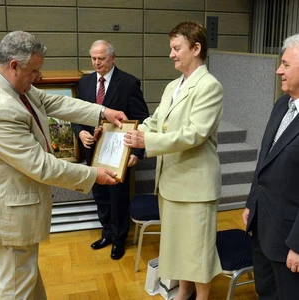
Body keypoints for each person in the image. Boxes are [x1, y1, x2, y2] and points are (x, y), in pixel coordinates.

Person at [0, 30, 127, 299]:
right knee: (14, 288)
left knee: (25, 279)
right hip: (12, 216)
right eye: (34, 71)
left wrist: (102, 112)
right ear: (14, 65)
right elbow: (41, 166)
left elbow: (55, 101)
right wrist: (93, 175)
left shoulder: (19, 89)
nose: (38, 78)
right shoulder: (3, 109)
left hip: (19, 211)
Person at [124, 21, 223, 300]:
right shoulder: (172, 86)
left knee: (198, 250)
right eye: (171, 48)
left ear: (196, 48)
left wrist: (147, 142)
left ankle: (201, 297)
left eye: (176, 48)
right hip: (170, 181)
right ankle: (184, 292)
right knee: (178, 247)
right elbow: (154, 123)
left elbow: (196, 134)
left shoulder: (209, 86)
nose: (171, 54)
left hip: (195, 183)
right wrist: (127, 134)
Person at [71, 40, 149, 260]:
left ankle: (119, 239)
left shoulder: (129, 83)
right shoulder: (85, 83)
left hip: (119, 153)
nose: (96, 63)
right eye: (93, 58)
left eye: (101, 58)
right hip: (93, 152)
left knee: (118, 197)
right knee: (100, 196)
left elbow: (142, 119)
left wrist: (136, 152)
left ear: (113, 57)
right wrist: (80, 132)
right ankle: (106, 233)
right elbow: (76, 115)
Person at [242, 34, 299, 299]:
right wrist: (251, 204)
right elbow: (264, 161)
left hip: (290, 240)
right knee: (265, 291)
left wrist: (298, 245)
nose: (278, 70)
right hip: (263, 227)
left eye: (285, 65)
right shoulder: (281, 105)